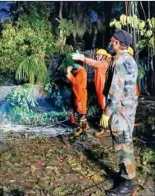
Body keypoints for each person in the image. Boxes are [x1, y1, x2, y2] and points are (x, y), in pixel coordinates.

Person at [100, 29, 138, 196]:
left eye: (111, 41)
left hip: (120, 109)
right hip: (128, 108)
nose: (109, 44)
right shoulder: (129, 59)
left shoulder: (121, 61)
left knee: (123, 144)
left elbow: (116, 89)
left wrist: (107, 112)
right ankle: (124, 176)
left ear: (116, 43)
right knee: (125, 142)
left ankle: (128, 184)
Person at [72, 49, 109, 136]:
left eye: (98, 55)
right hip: (99, 91)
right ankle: (101, 128)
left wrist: (82, 58)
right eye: (96, 55)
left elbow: (92, 62)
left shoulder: (103, 63)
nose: (96, 56)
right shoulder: (99, 66)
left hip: (103, 91)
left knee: (105, 109)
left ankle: (105, 130)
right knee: (102, 108)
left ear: (104, 56)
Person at [66, 63, 89, 136]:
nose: (73, 65)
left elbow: (75, 81)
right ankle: (84, 127)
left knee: (81, 112)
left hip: (80, 95)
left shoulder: (81, 72)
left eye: (75, 63)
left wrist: (69, 72)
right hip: (77, 94)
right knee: (80, 111)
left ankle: (82, 130)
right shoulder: (78, 71)